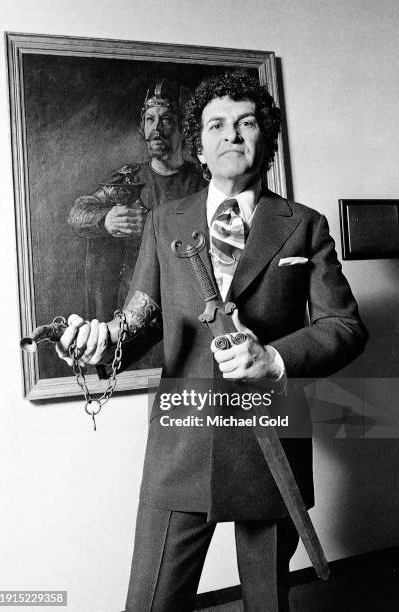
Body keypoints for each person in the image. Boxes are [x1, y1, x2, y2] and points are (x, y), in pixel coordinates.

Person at [57, 72, 368, 611]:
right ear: (198, 144)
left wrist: (272, 358)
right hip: (183, 442)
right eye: (216, 125)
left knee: (267, 603)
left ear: (266, 138)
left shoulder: (305, 226)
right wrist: (101, 339)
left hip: (271, 444)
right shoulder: (162, 221)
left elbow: (344, 327)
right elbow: (138, 321)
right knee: (152, 604)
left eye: (245, 123)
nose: (231, 135)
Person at [68, 79, 206, 324]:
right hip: (135, 307)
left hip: (191, 300)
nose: (157, 128)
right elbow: (78, 213)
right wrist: (106, 219)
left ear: (182, 128)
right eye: (150, 120)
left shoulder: (203, 182)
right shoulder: (128, 179)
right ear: (142, 128)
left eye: (166, 119)